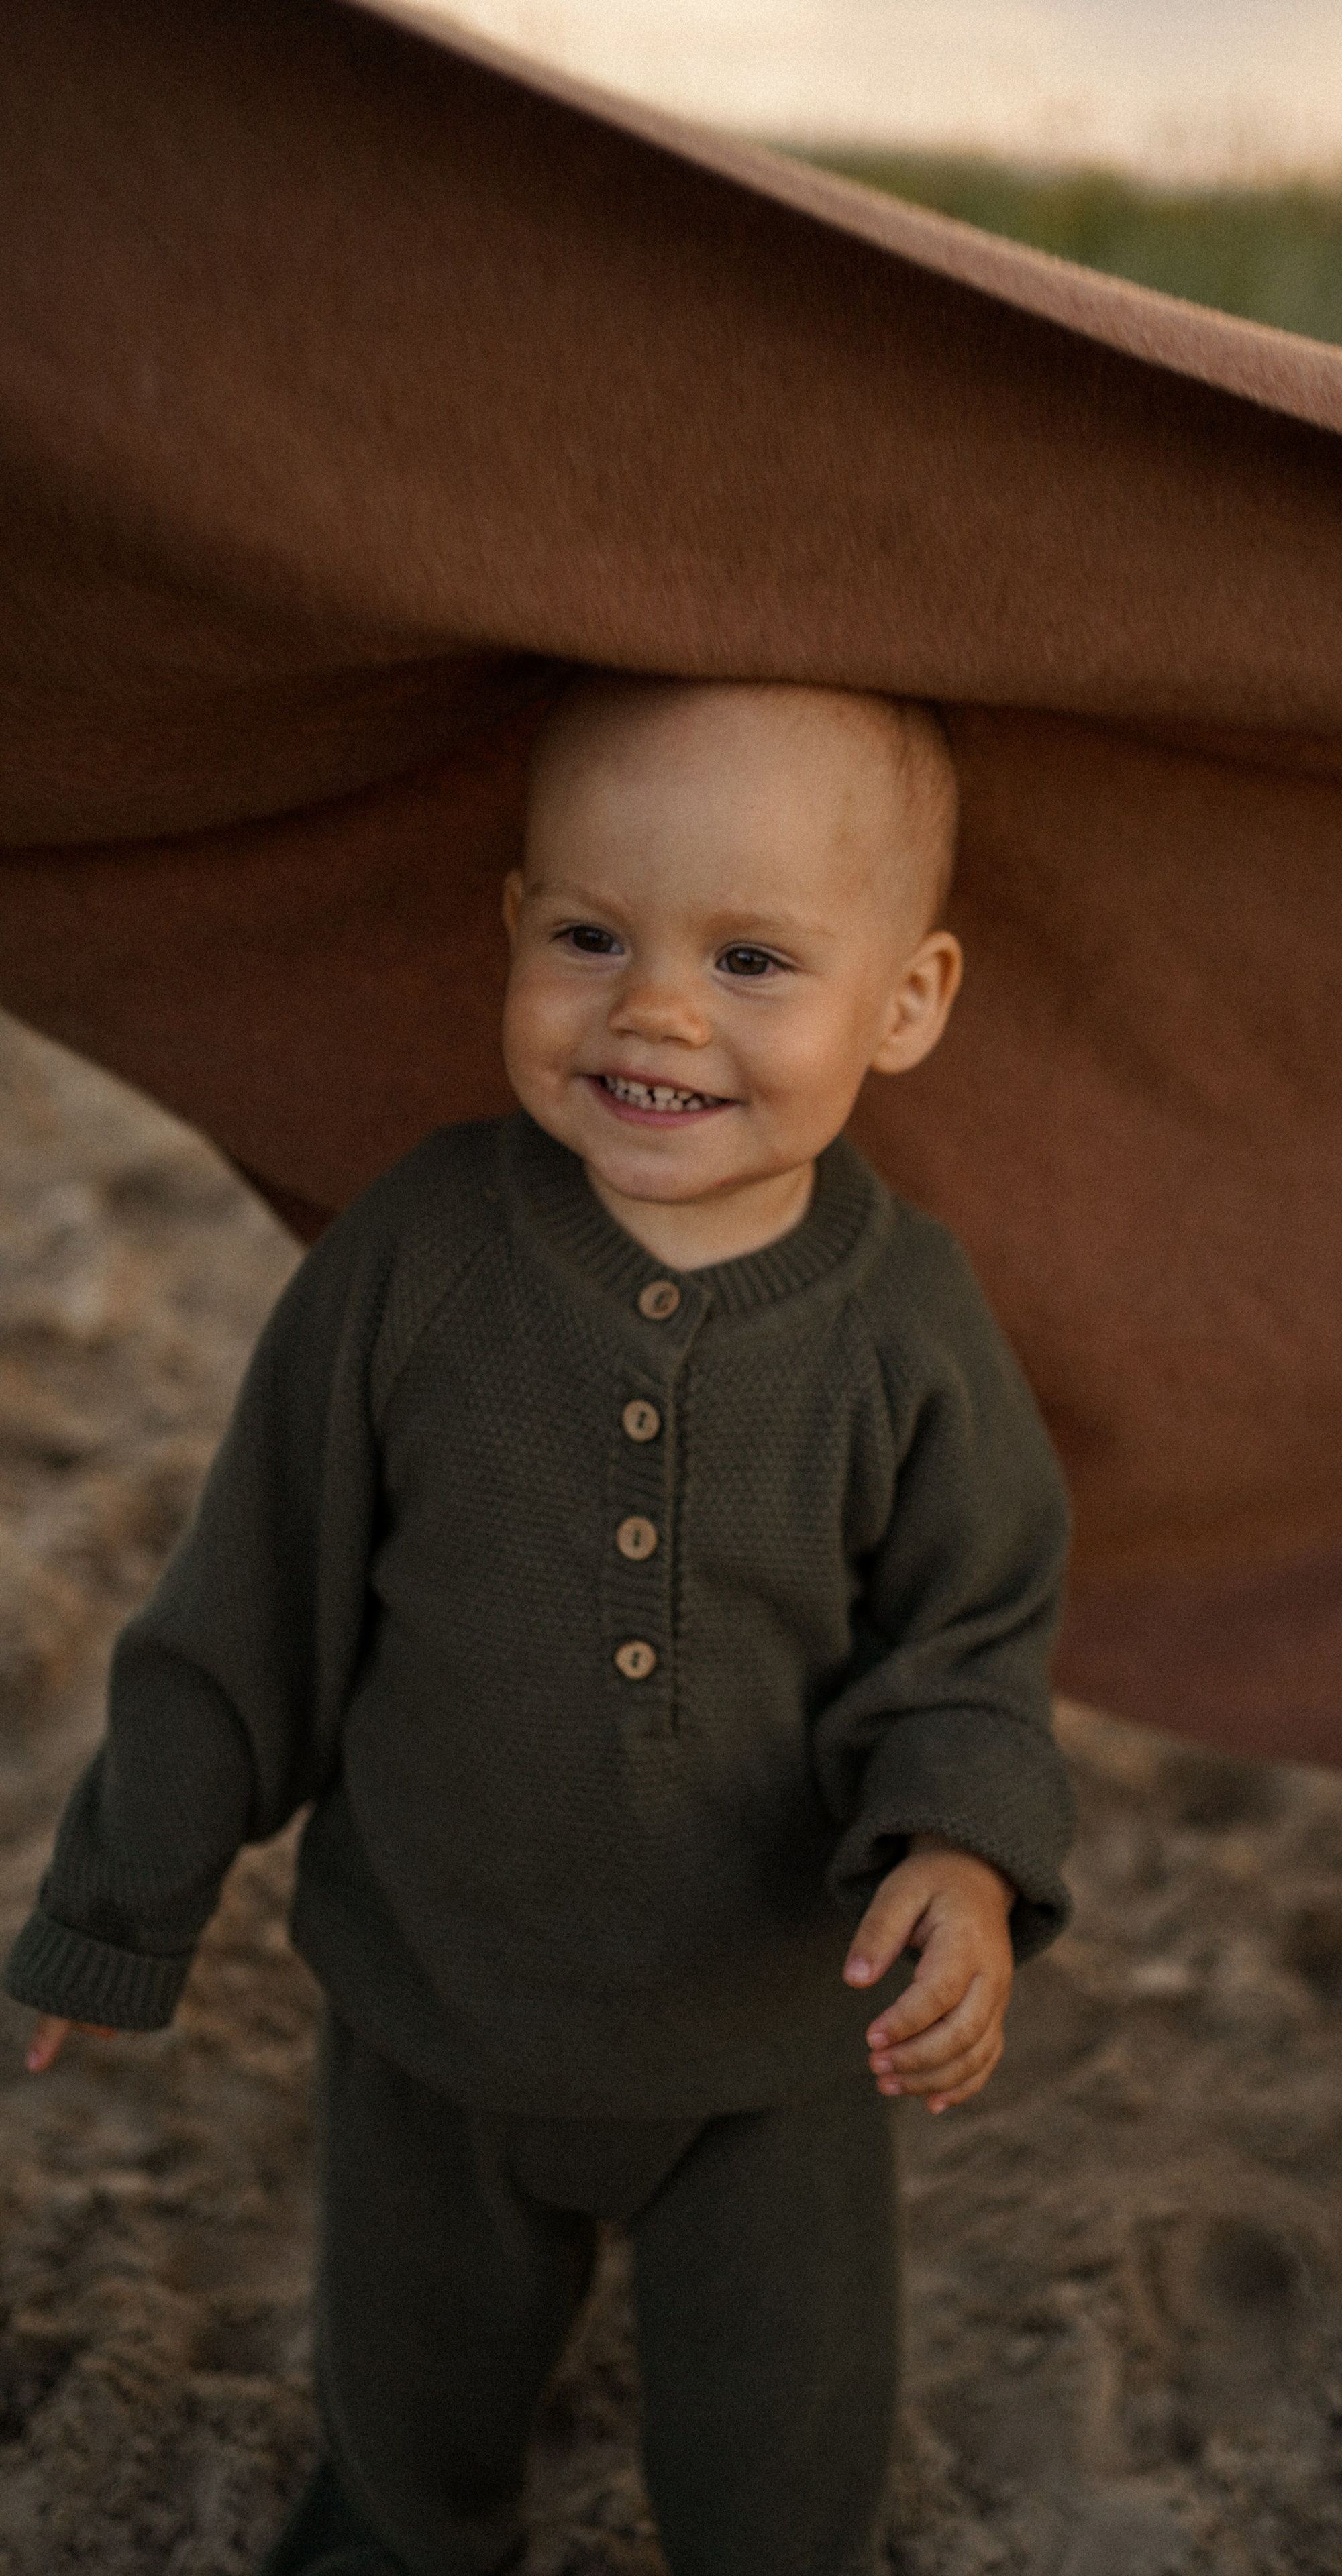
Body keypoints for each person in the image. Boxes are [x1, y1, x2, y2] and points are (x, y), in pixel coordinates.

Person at [5, 676, 1075, 2576]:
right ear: (513, 928)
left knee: (782, 2466)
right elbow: (247, 1605)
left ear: (906, 1000)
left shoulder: (910, 1324)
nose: (655, 1009)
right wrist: (116, 1903)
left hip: (770, 2040)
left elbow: (971, 1629)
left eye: (753, 959)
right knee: (410, 2417)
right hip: (436, 2009)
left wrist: (969, 1859)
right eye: (591, 935)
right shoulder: (413, 1257)